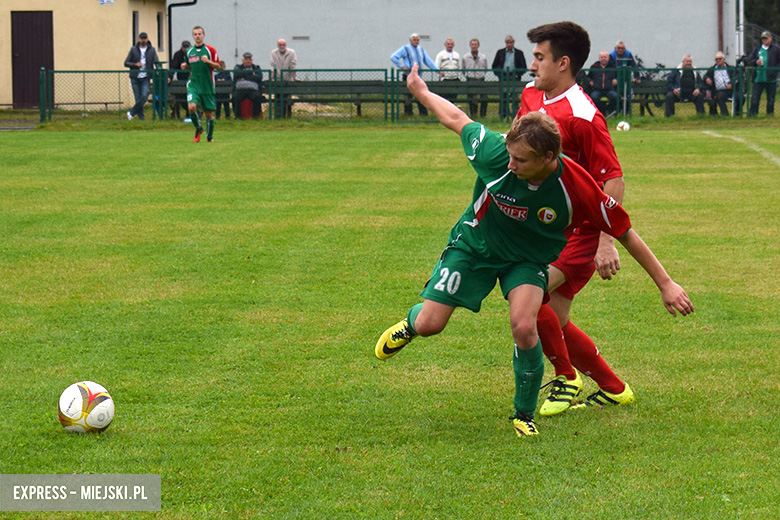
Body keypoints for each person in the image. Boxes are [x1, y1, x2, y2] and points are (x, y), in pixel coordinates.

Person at [375, 64, 694, 439]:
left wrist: (666, 284)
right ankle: (412, 324)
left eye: (521, 161)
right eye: (509, 157)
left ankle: (523, 414)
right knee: (432, 324)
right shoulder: (497, 154)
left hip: (525, 260)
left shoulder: (578, 187)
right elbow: (457, 119)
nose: (510, 165)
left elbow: (625, 232)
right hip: (475, 245)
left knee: (525, 325)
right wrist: (421, 92)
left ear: (548, 158)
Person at [517, 21, 632, 416]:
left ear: (563, 63)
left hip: (579, 231)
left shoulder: (583, 115)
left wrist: (605, 240)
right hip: (545, 227)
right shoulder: (531, 96)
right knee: (555, 316)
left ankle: (567, 378)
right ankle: (614, 387)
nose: (533, 65)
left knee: (528, 298)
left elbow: (611, 178)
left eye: (539, 57)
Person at [182, 25, 220, 143]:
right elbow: (189, 64)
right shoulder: (189, 52)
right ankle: (198, 128)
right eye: (195, 34)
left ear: (203, 35)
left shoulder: (210, 50)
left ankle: (209, 137)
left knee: (208, 114)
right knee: (191, 107)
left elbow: (218, 66)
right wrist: (185, 66)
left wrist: (208, 61)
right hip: (193, 84)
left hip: (207, 85)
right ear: (193, 36)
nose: (197, 36)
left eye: (199, 34)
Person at [391, 33, 439, 116]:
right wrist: (401, 66)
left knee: (421, 94)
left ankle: (423, 114)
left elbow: (427, 61)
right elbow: (393, 57)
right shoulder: (405, 49)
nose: (416, 41)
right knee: (408, 95)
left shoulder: (421, 49)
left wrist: (437, 70)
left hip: (418, 76)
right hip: (408, 75)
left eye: (417, 40)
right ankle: (408, 113)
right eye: (414, 40)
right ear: (410, 40)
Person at [124, 32, 159, 121]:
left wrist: (158, 71)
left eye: (145, 38)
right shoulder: (133, 50)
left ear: (147, 39)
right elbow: (126, 63)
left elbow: (156, 62)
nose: (143, 40)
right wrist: (135, 64)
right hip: (135, 77)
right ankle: (141, 118)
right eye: (142, 38)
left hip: (146, 77)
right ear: (139, 39)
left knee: (144, 96)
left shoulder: (152, 50)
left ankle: (131, 112)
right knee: (137, 98)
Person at [491, 35, 527, 118]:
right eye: (507, 43)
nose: (509, 44)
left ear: (513, 43)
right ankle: (503, 114)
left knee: (515, 96)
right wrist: (499, 74)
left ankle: (515, 114)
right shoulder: (500, 52)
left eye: (511, 42)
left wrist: (518, 74)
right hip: (503, 76)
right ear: (505, 43)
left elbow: (523, 66)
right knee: (503, 96)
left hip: (514, 77)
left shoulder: (519, 53)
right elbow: (494, 66)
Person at [748, 31, 780, 116]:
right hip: (758, 78)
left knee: (770, 99)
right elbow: (750, 60)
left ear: (770, 38)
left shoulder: (776, 49)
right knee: (755, 98)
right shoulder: (757, 49)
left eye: (766, 38)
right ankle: (753, 114)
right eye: (763, 38)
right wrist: (756, 62)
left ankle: (769, 114)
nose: (764, 40)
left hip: (771, 78)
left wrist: (774, 70)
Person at [270, 39, 298, 118]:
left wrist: (295, 77)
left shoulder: (291, 53)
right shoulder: (273, 53)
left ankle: (285, 116)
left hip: (287, 80)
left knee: (286, 99)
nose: (282, 46)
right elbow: (273, 66)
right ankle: (278, 116)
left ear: (286, 45)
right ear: (277, 45)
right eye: (280, 45)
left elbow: (292, 66)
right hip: (277, 80)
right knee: (278, 99)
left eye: (283, 45)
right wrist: (271, 78)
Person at [233, 52, 264, 119]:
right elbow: (236, 75)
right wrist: (251, 75)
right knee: (235, 97)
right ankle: (238, 117)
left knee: (257, 97)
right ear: (243, 60)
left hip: (253, 90)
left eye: (249, 59)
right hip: (240, 90)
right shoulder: (238, 67)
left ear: (252, 60)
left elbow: (259, 77)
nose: (248, 61)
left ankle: (255, 117)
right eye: (246, 59)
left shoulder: (256, 67)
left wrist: (244, 76)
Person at [463, 38, 489, 118]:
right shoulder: (465, 57)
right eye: (472, 45)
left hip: (480, 78)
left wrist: (481, 74)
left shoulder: (483, 57)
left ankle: (483, 115)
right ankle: (473, 115)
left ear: (478, 46)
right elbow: (463, 68)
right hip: (470, 78)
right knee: (472, 99)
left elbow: (485, 67)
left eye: (475, 45)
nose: (474, 46)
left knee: (484, 98)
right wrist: (468, 75)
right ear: (470, 46)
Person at [587, 51, 618, 117]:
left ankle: (612, 113)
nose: (603, 58)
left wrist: (616, 80)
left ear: (608, 58)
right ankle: (598, 114)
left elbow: (618, 76)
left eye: (605, 57)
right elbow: (588, 77)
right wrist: (590, 81)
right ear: (599, 58)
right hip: (597, 89)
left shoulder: (613, 67)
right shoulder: (594, 67)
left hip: (609, 89)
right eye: (602, 57)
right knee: (593, 97)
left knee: (615, 97)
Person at [703, 52, 734, 116]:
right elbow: (705, 76)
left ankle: (737, 113)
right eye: (716, 59)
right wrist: (707, 78)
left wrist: (731, 83)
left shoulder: (731, 68)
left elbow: (737, 76)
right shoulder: (712, 69)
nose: (718, 60)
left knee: (740, 97)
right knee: (720, 97)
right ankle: (725, 115)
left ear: (724, 59)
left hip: (731, 89)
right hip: (720, 91)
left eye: (720, 59)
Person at [435, 38, 462, 102]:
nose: (450, 45)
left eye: (451, 44)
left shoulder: (457, 55)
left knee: (453, 98)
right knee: (444, 99)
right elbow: (436, 66)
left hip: (455, 79)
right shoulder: (440, 55)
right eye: (448, 44)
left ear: (454, 45)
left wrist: (459, 78)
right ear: (445, 45)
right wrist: (440, 73)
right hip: (444, 79)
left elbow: (459, 67)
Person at [169, 40, 190, 119]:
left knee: (190, 98)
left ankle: (189, 114)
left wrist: (187, 66)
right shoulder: (177, 54)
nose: (185, 49)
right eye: (184, 47)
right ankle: (180, 114)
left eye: (187, 47)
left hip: (191, 79)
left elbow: (195, 66)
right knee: (179, 97)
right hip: (181, 80)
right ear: (182, 47)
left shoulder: (193, 54)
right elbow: (173, 66)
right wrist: (169, 77)